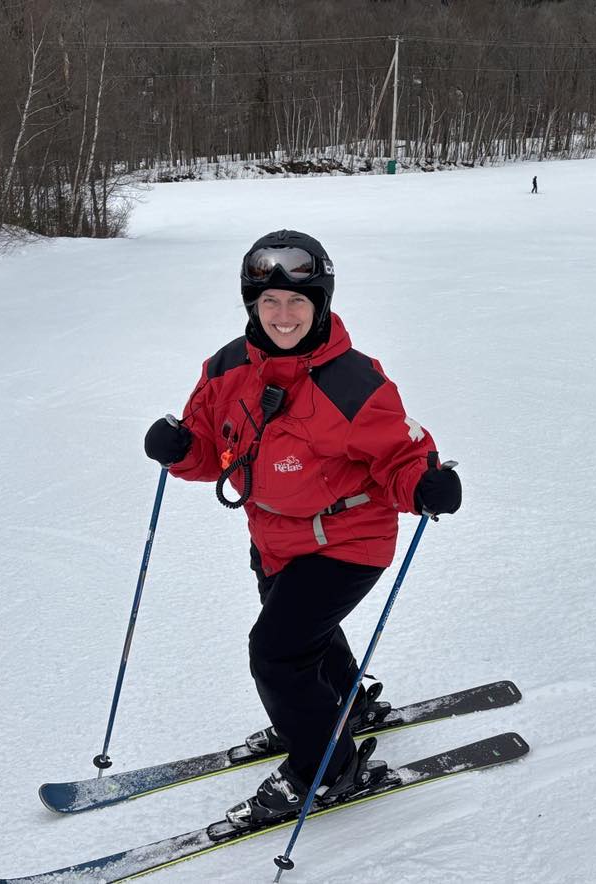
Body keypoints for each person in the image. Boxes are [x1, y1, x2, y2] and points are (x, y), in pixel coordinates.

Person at [143, 229, 462, 826]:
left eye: (298, 302)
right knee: (302, 634)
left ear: (321, 303)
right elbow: (214, 452)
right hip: (274, 538)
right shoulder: (225, 370)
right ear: (252, 306)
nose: (283, 315)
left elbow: (400, 456)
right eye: (269, 303)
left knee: (277, 653)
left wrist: (424, 486)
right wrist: (181, 448)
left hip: (349, 540)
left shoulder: (355, 384)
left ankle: (326, 765)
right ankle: (337, 707)